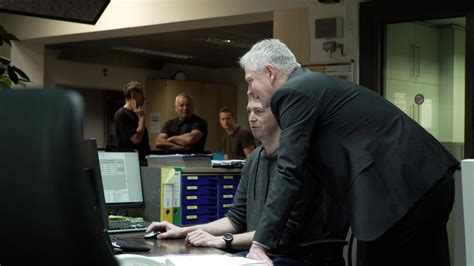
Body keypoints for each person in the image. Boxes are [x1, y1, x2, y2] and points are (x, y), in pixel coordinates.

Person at [239, 38, 459, 266]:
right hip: (429, 178)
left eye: (250, 80)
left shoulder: (293, 92)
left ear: (270, 72)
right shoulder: (311, 85)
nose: (249, 90)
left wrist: (260, 244)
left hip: (402, 191)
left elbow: (289, 170)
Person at [146, 96, 330, 266]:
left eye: (258, 111)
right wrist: (183, 230)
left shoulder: (298, 162)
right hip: (256, 252)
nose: (251, 118)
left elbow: (283, 234)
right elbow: (236, 219)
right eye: (249, 111)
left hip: (291, 257)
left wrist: (223, 240)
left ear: (280, 116)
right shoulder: (253, 159)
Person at [114, 81, 150, 165]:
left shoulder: (136, 113)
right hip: (130, 162)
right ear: (133, 95)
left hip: (142, 160)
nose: (144, 98)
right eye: (141, 95)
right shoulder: (121, 114)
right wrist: (141, 118)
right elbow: (136, 139)